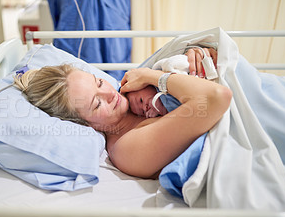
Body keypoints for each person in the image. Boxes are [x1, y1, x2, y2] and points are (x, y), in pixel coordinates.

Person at [14, 48, 232, 179]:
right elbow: (217, 98)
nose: (109, 93)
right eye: (97, 104)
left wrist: (198, 55)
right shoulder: (128, 149)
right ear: (85, 124)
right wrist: (152, 75)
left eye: (99, 82)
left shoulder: (132, 92)